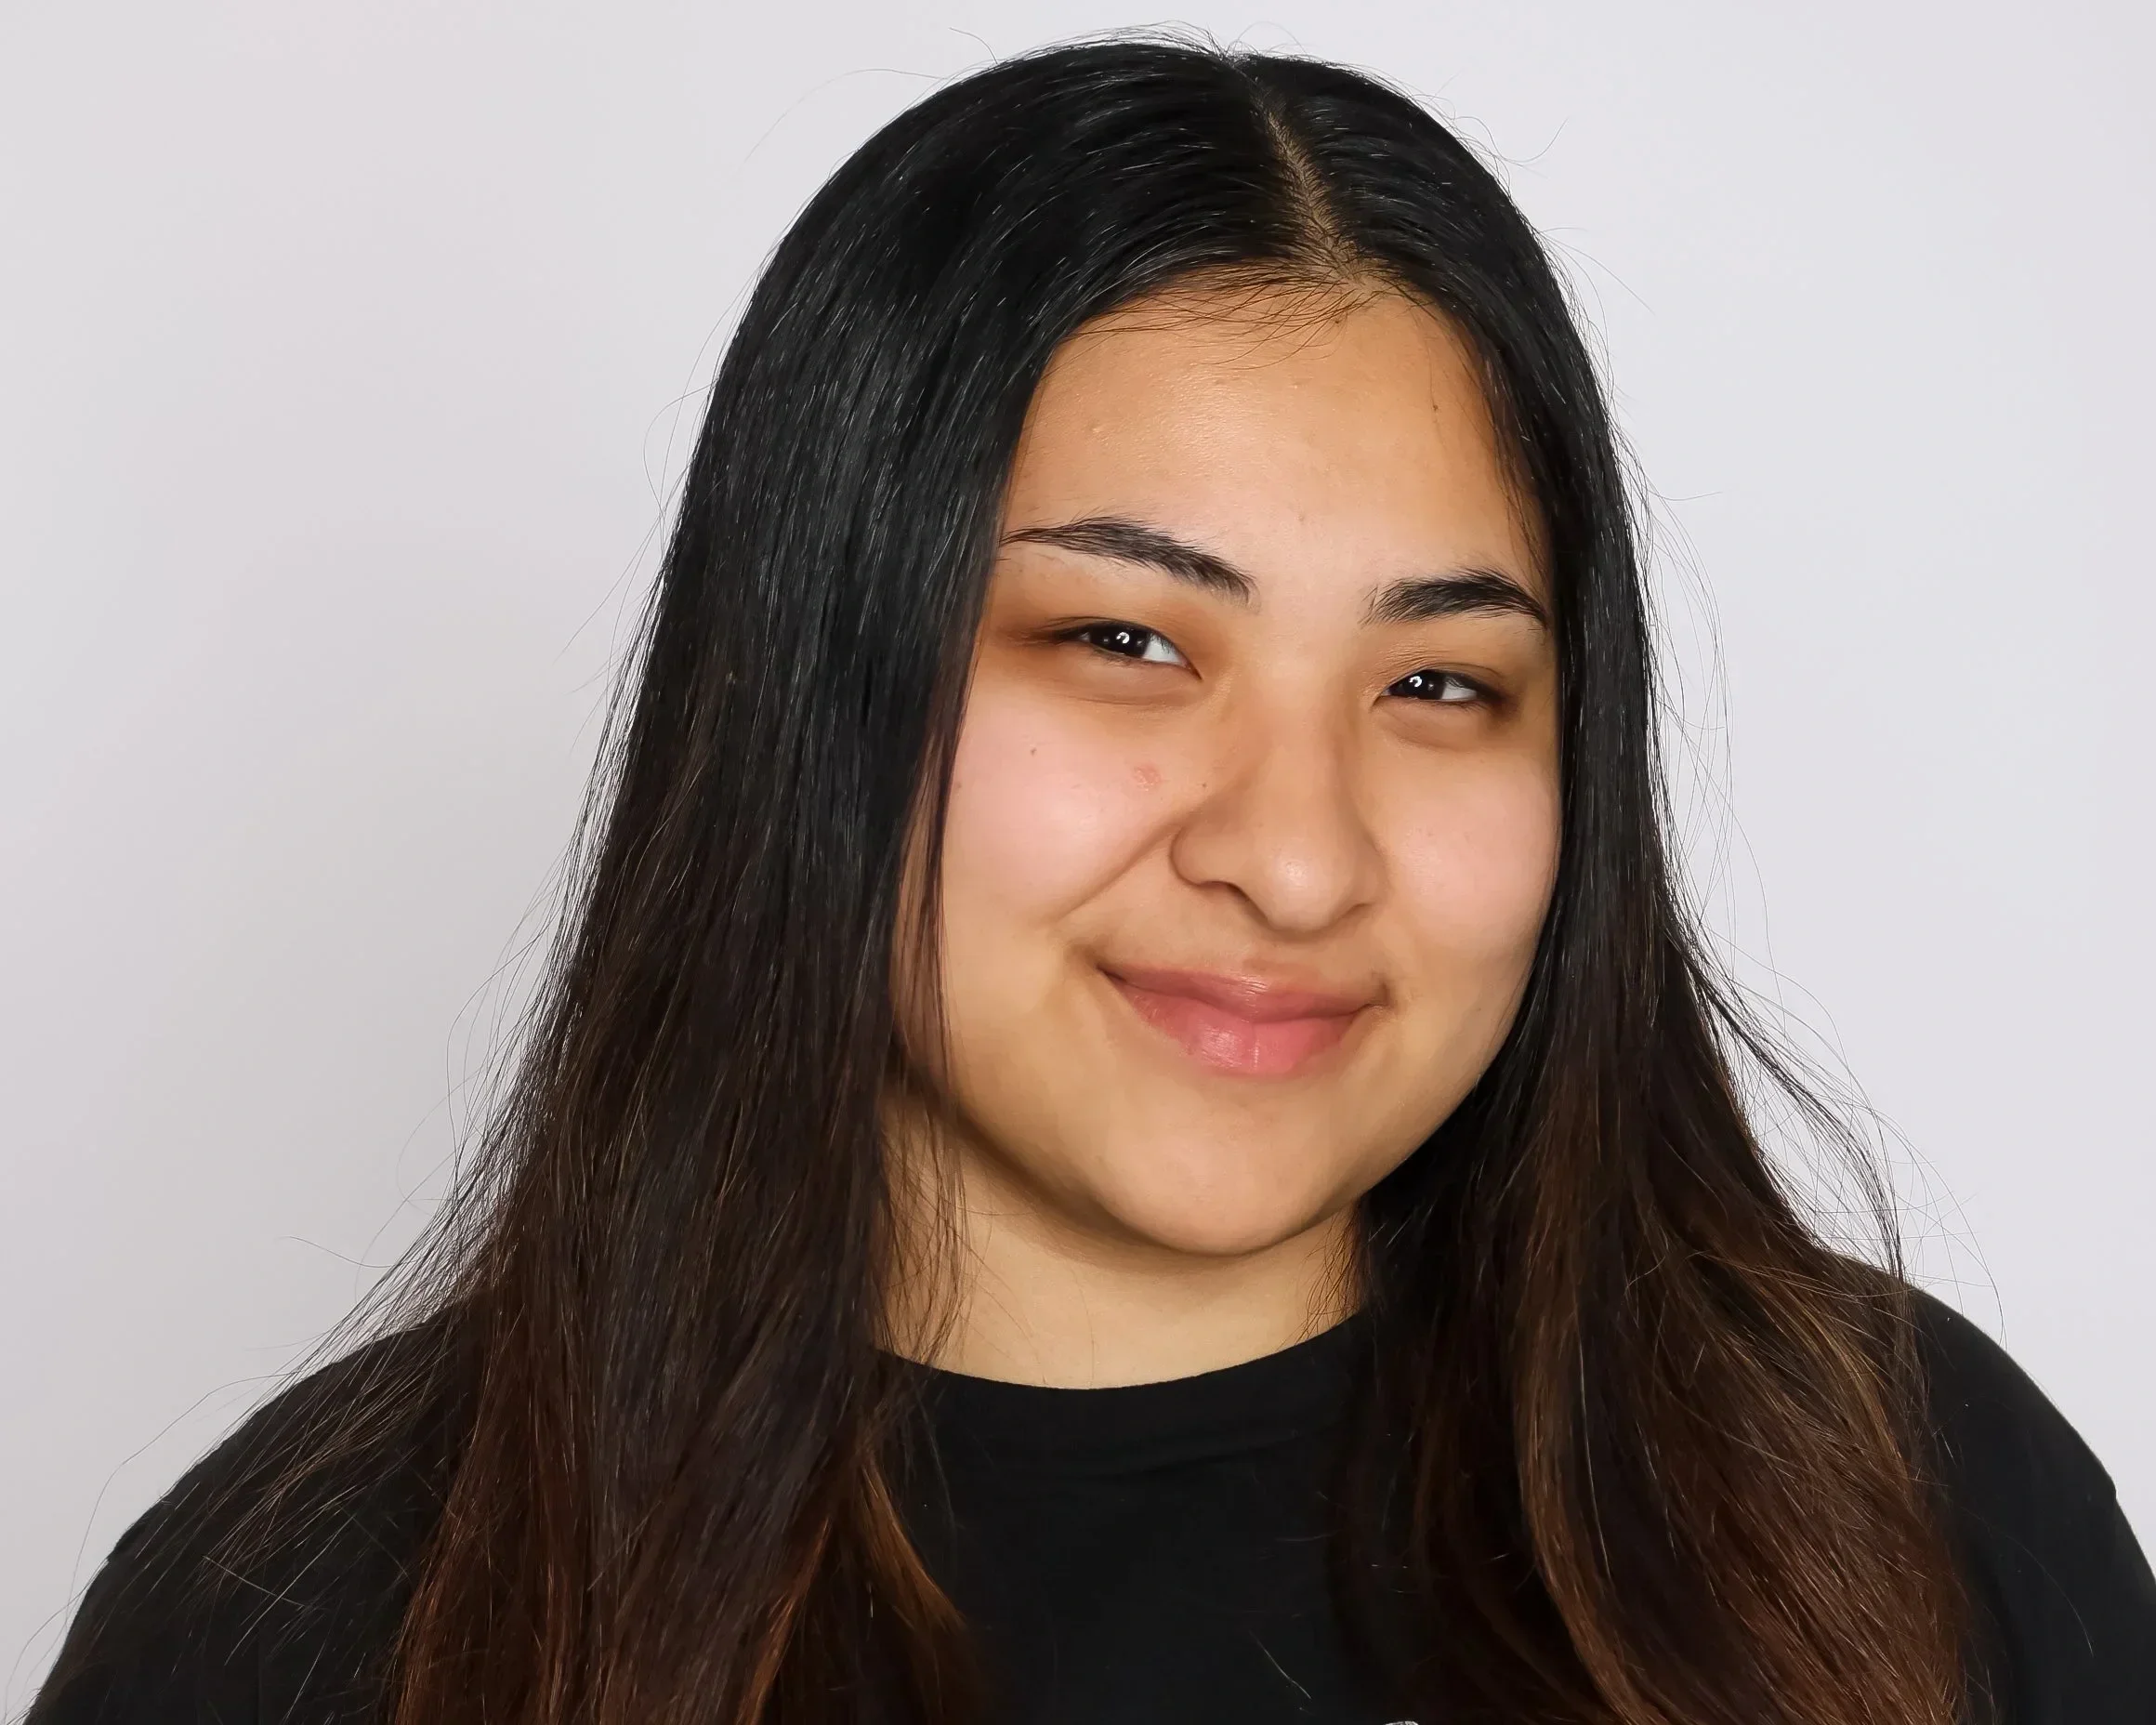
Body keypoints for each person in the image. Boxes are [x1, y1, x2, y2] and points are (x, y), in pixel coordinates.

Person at [29, 36, 2154, 1725]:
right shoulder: (316, 1620)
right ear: (812, 679)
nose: (1297, 854)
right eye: (1124, 641)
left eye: (1437, 679)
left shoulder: (1893, 1500)